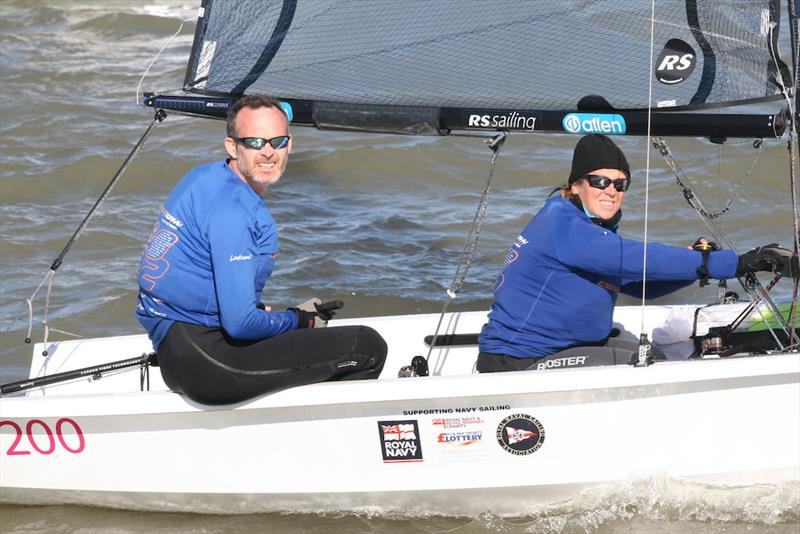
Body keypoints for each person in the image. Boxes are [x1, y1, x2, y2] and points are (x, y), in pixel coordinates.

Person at [136, 94, 387, 404]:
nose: (268, 152)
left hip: (178, 346)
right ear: (232, 146)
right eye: (255, 142)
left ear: (289, 145)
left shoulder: (204, 177)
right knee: (365, 346)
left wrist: (269, 315)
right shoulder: (235, 212)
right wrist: (297, 319)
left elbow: (198, 277)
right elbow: (240, 325)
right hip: (207, 364)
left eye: (277, 141)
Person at [477, 133, 794, 372]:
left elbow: (640, 285)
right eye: (600, 180)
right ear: (576, 185)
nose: (611, 190)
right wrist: (734, 263)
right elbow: (634, 258)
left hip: (570, 345)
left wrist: (695, 266)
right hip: (520, 360)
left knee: (669, 351)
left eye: (620, 183)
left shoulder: (587, 231)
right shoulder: (562, 224)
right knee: (651, 363)